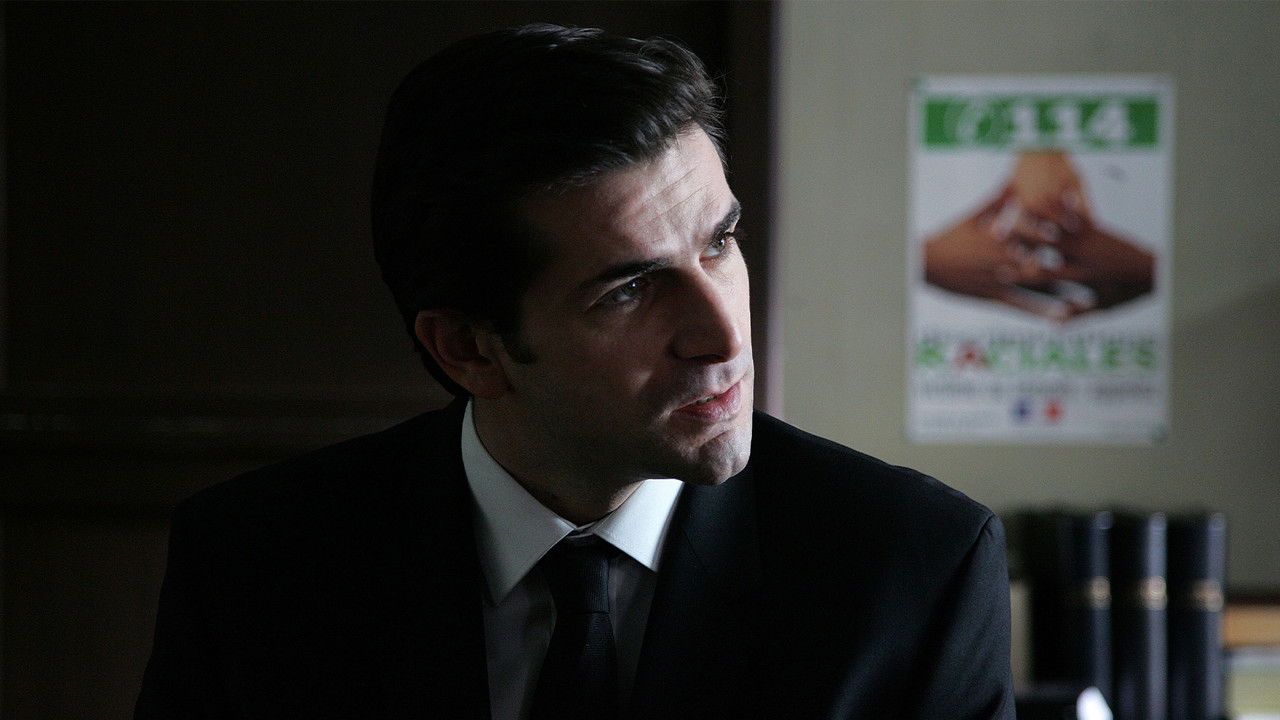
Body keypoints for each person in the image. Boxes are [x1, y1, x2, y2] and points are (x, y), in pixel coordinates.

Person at [136, 24, 1014, 719]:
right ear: (469, 349)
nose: (722, 336)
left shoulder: (911, 566)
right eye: (630, 289)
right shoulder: (257, 565)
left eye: (720, 242)